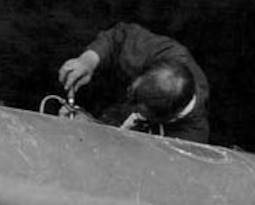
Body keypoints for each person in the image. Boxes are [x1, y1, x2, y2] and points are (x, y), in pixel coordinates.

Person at [58, 22, 211, 143]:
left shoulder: (188, 140)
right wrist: (88, 61)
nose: (132, 107)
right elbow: (120, 38)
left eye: (140, 111)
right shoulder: (167, 54)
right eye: (132, 92)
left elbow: (125, 165)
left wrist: (92, 130)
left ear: (167, 118)